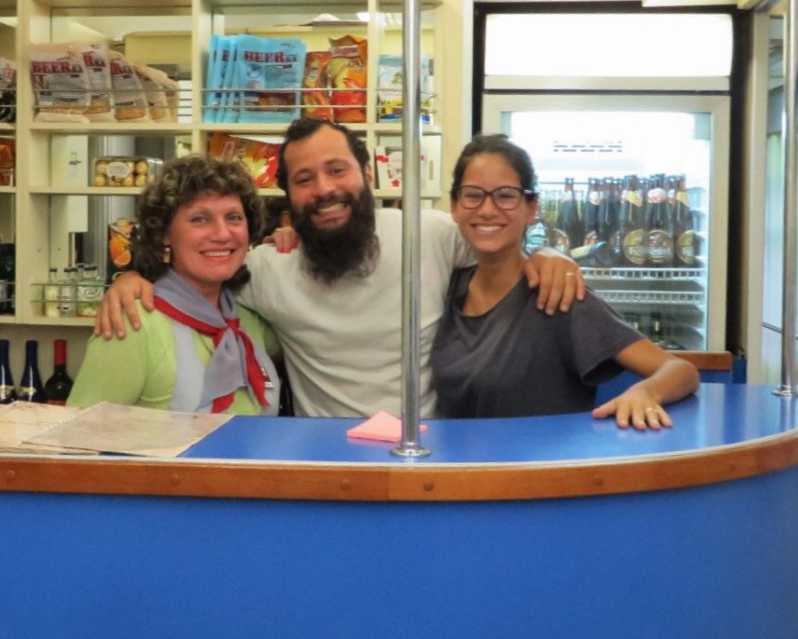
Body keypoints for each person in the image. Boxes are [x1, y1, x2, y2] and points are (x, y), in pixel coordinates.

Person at [96, 117, 585, 418]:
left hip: (430, 455)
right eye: (304, 179)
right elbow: (198, 270)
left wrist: (549, 254)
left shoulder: (428, 234)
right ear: (288, 196)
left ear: (366, 173)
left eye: (337, 170)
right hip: (326, 466)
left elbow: (496, 240)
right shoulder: (266, 269)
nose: (324, 188)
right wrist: (136, 278)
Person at [433, 135, 699, 428]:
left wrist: (643, 392)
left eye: (505, 195)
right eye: (473, 194)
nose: (487, 209)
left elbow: (679, 370)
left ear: (532, 208)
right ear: (455, 206)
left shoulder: (558, 295)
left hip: (540, 470)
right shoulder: (449, 285)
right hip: (456, 468)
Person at [67, 155, 281, 415]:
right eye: (200, 219)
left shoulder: (249, 321)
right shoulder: (133, 325)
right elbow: (77, 443)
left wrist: (294, 241)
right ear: (165, 233)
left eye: (234, 217)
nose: (222, 234)